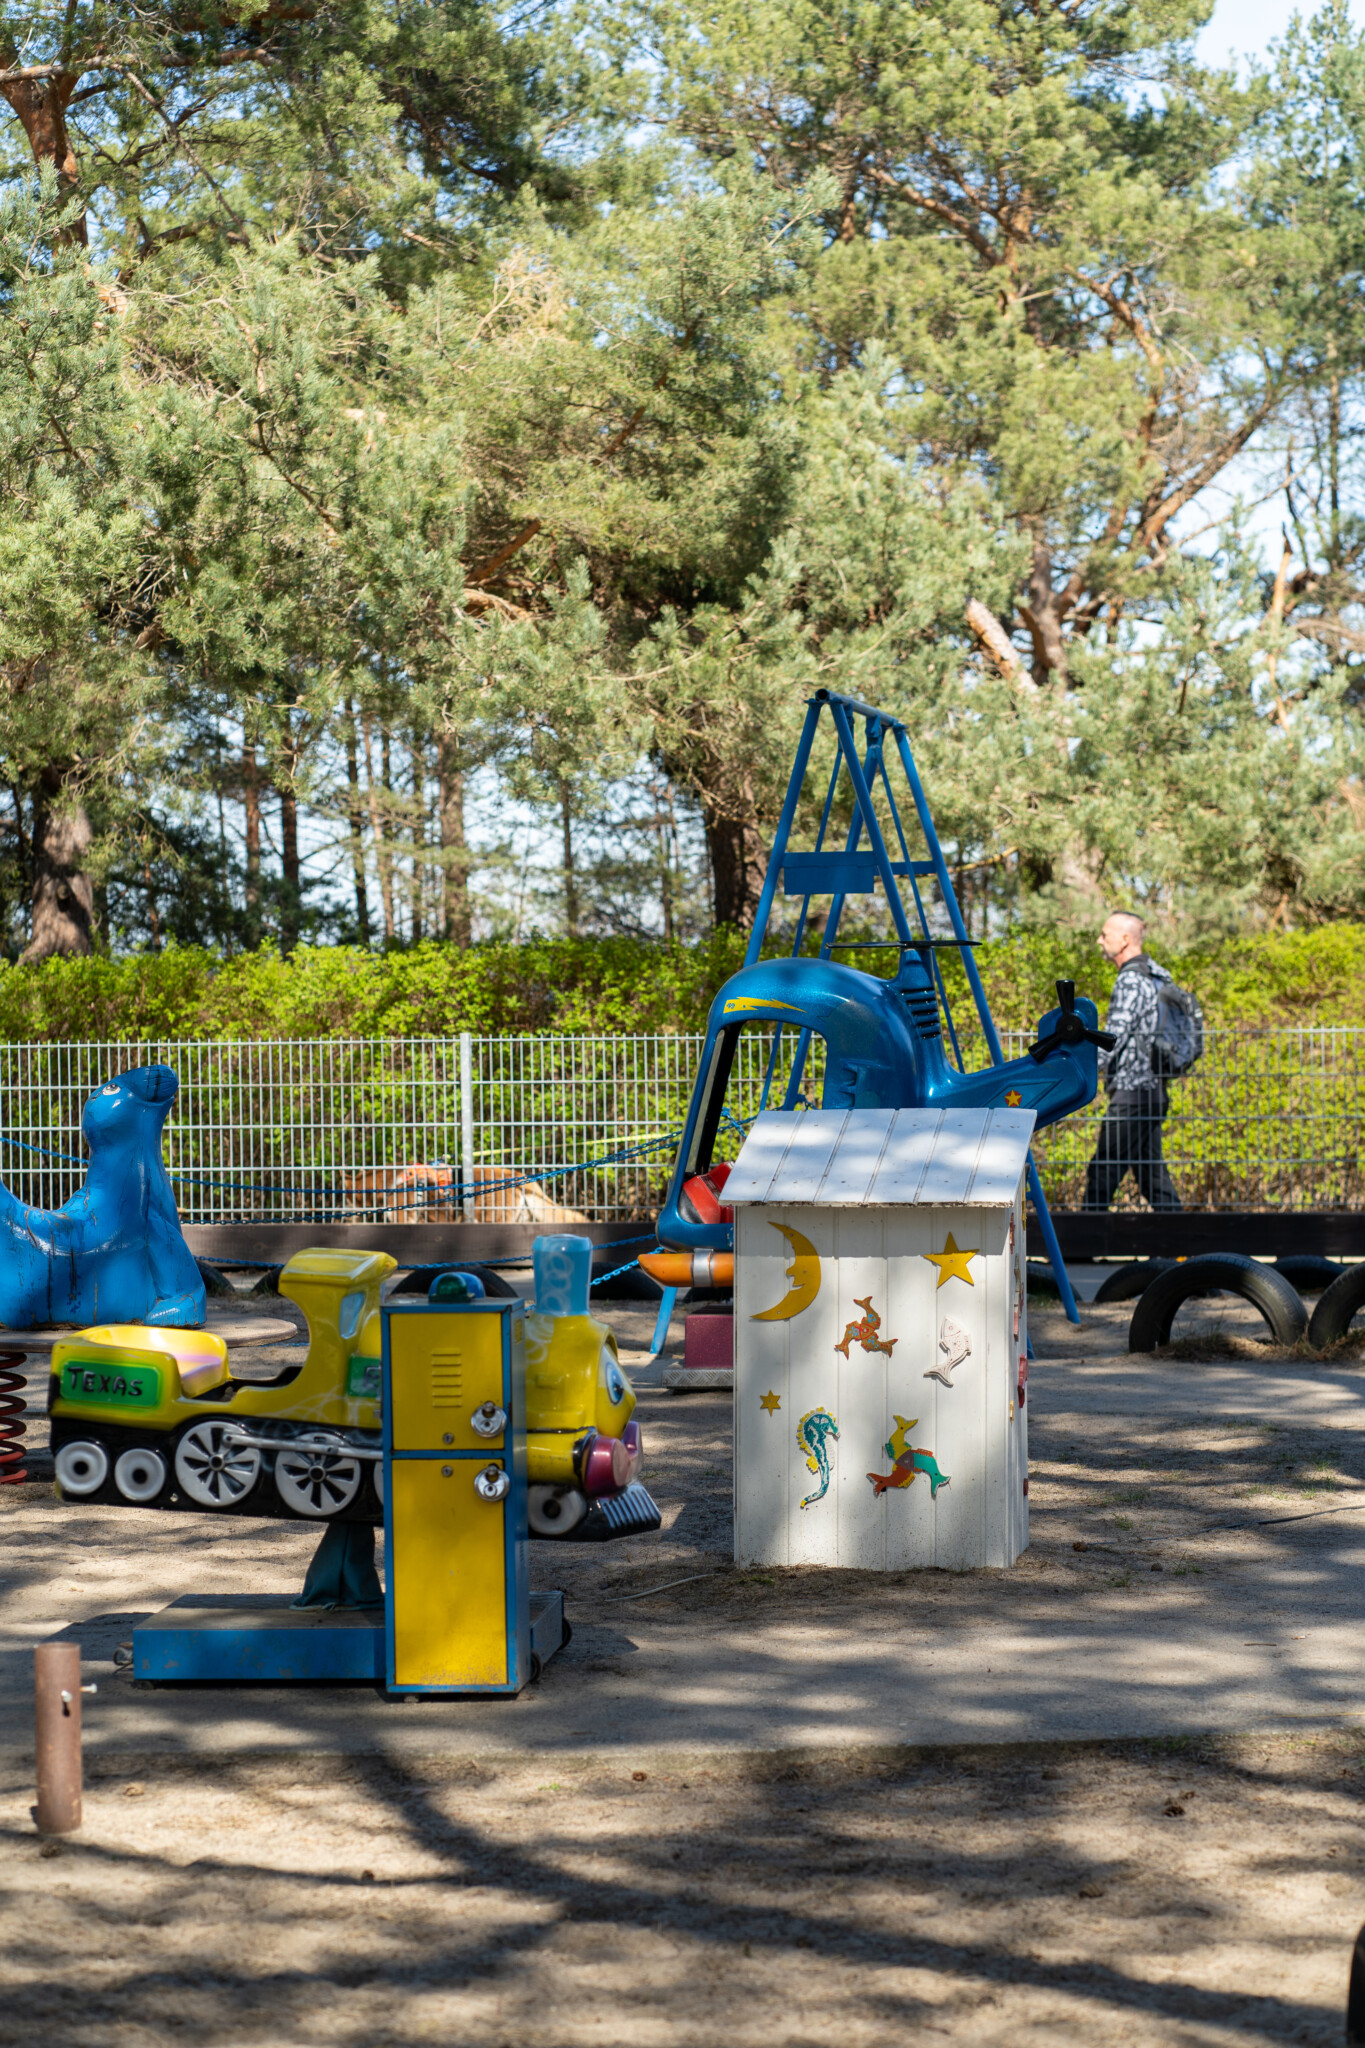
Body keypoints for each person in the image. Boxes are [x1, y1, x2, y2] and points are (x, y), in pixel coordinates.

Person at [1083, 911, 1182, 1212]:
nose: (1100, 940)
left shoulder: (1129, 979)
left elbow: (1113, 1037)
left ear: (1125, 940)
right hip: (1154, 1091)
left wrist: (1083, 1070)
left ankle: (1081, 1250)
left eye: (1105, 934)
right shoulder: (1157, 976)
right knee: (1152, 1176)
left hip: (1132, 1093)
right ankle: (1176, 1248)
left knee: (1103, 1169)